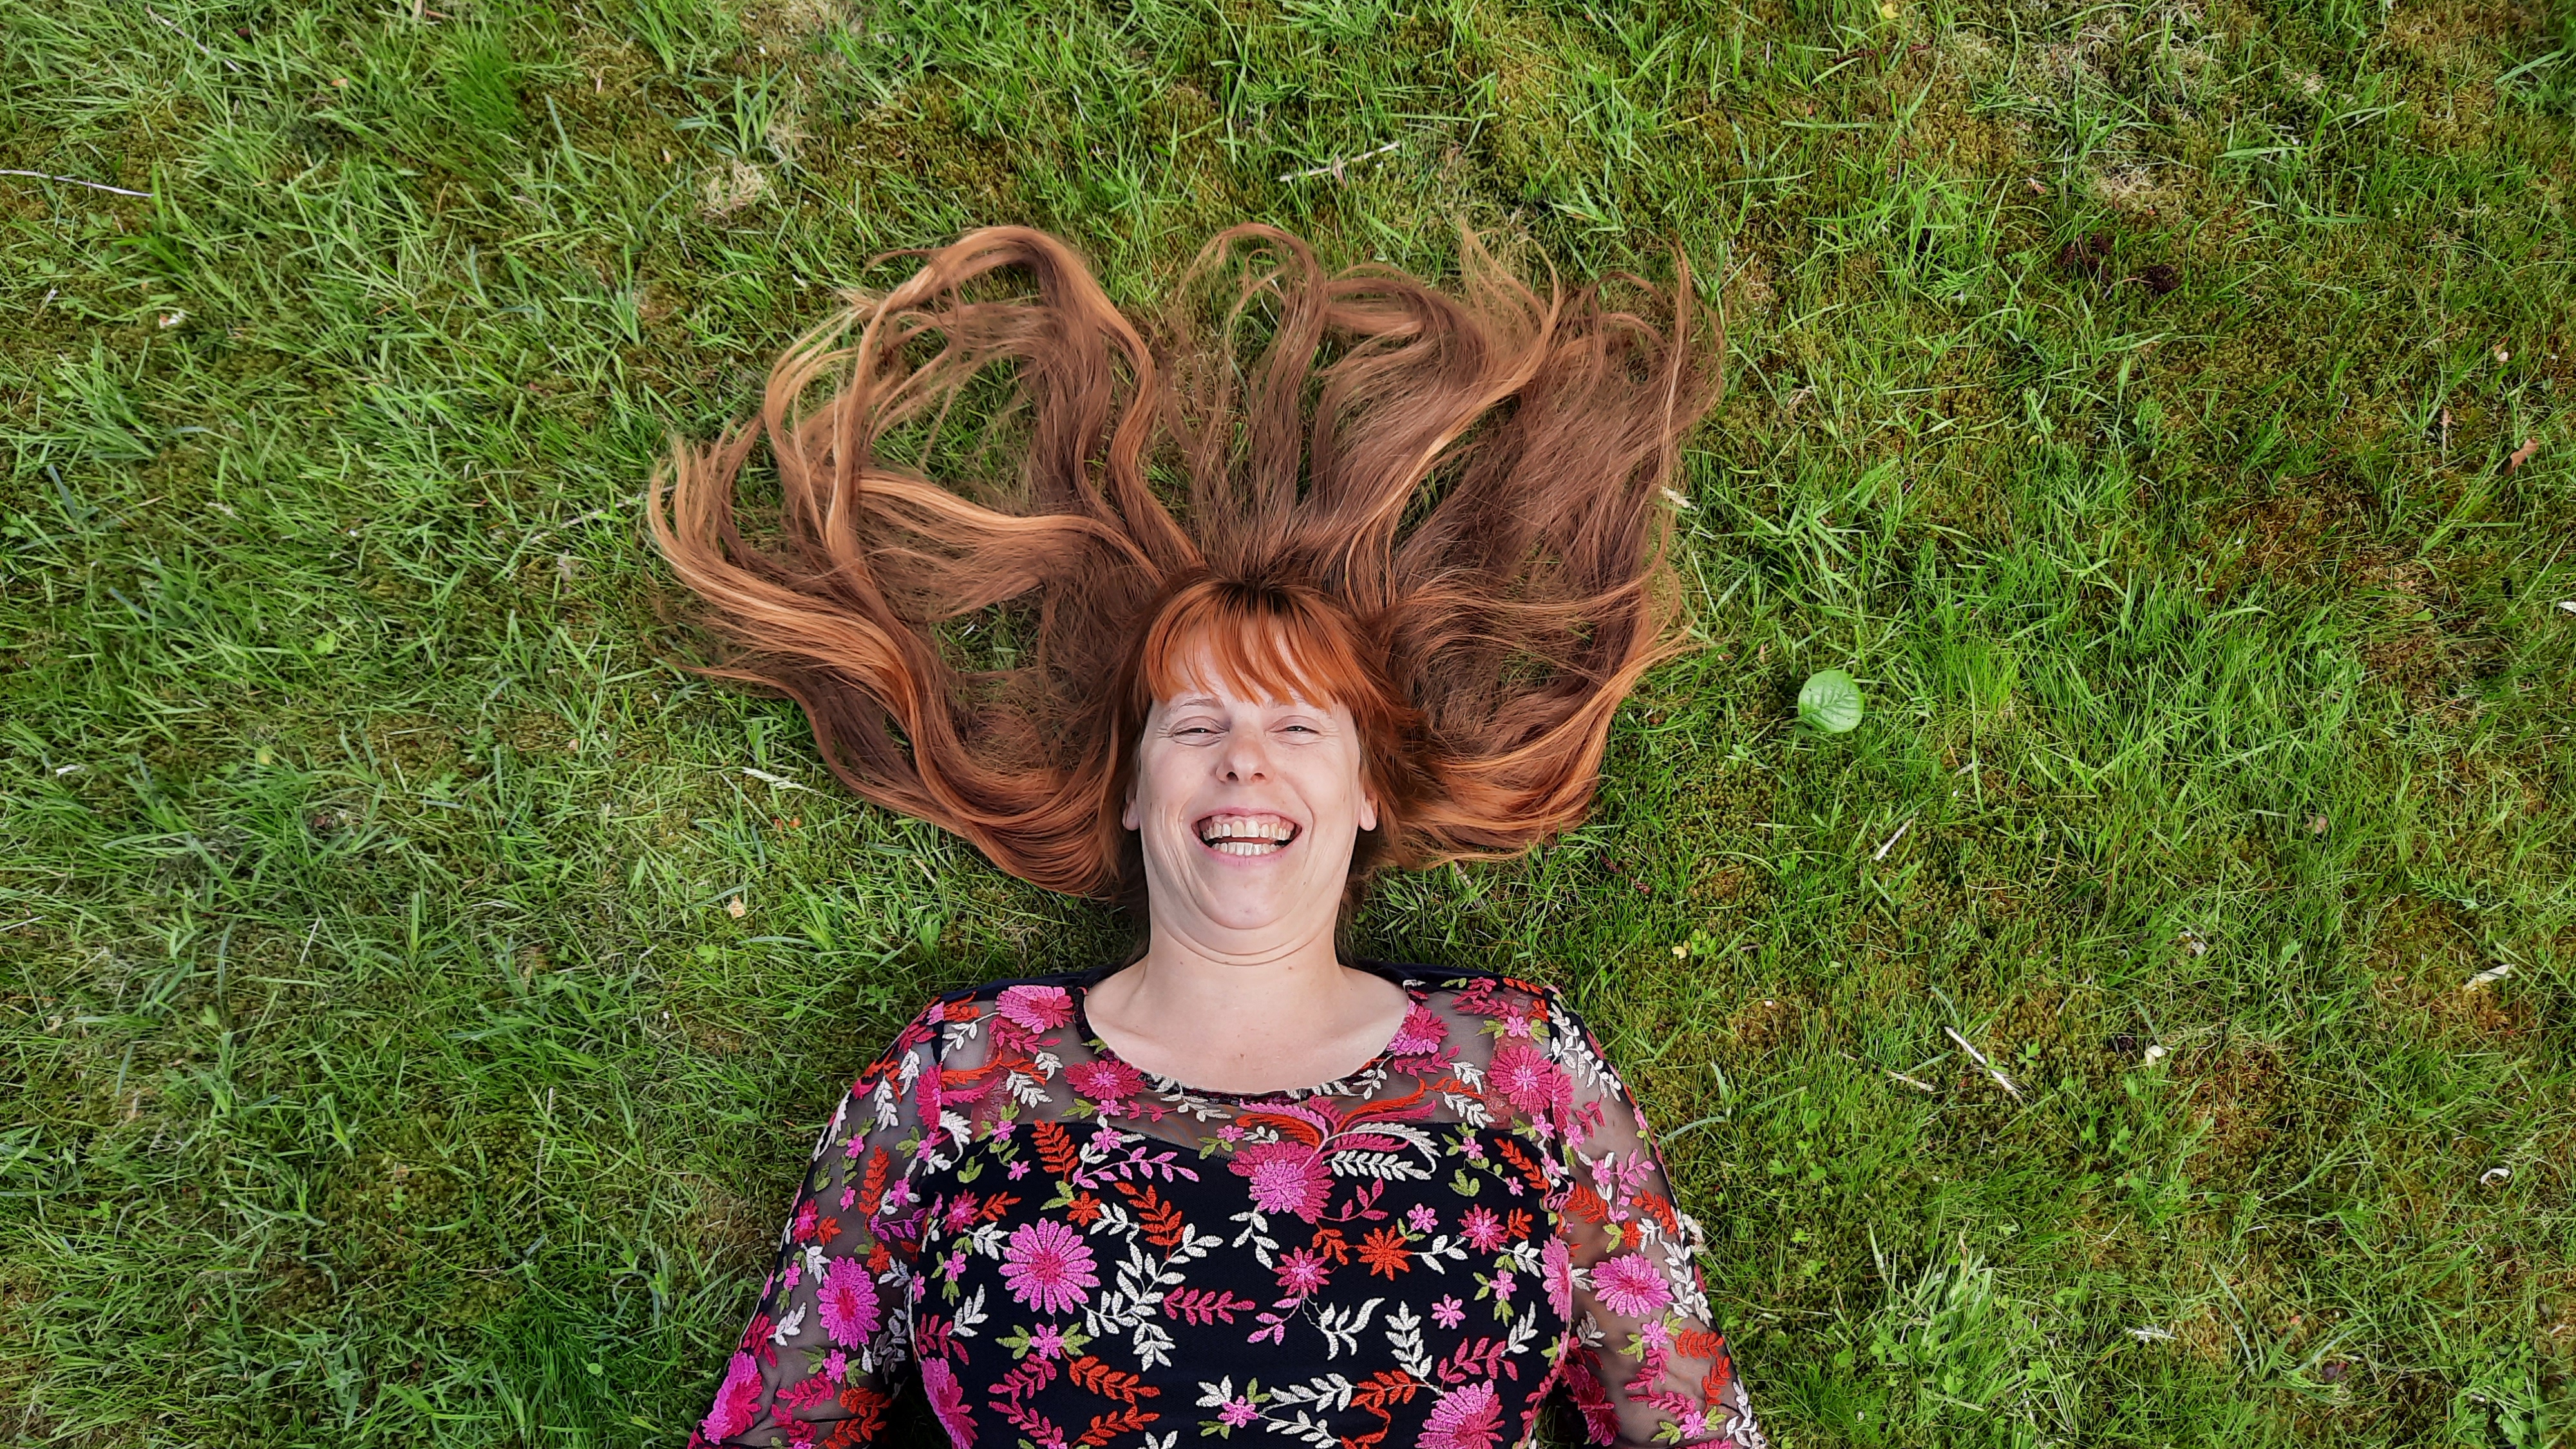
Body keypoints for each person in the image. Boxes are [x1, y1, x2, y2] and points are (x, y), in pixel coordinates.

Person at [651, 224, 1761, 1448]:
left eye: (1298, 725)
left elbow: (1693, 1426)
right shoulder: (956, 1083)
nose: (1246, 758)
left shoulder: (1520, 1071)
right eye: (1195, 724)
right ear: (1131, 791)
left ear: (1369, 791)